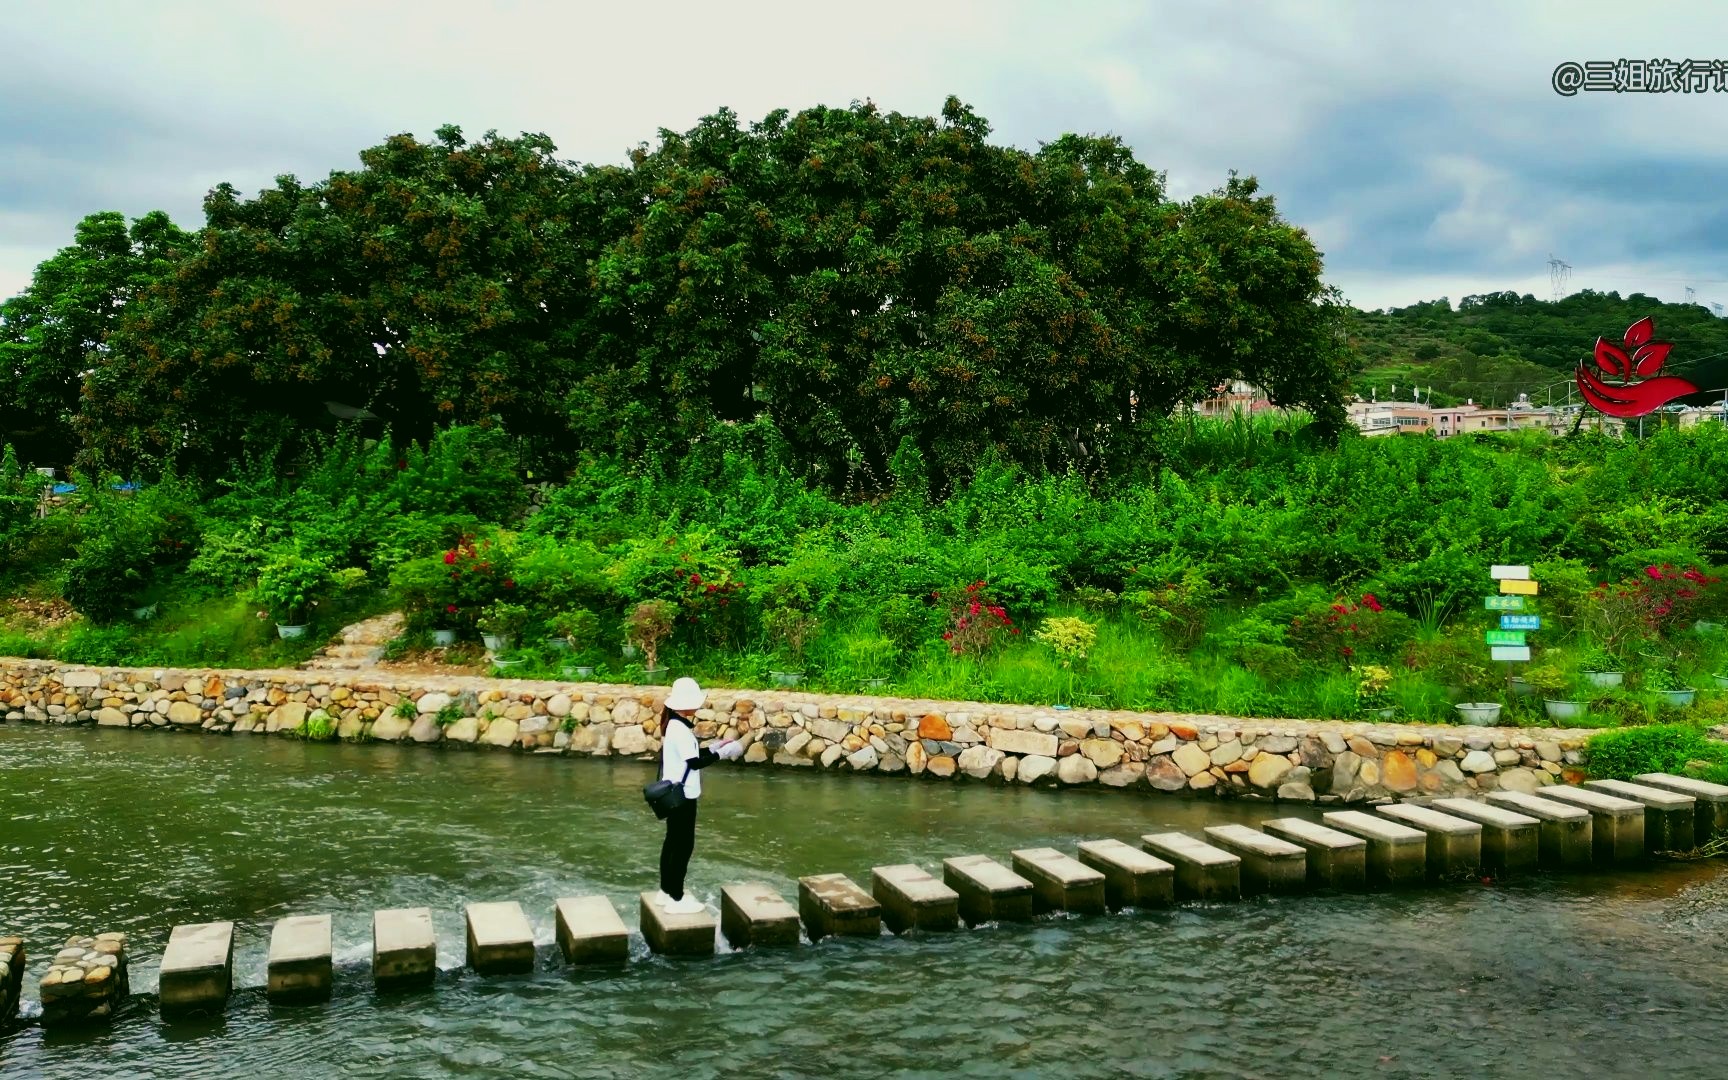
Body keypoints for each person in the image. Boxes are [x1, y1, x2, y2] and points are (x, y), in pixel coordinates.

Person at [654, 676, 743, 914]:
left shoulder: (674, 723)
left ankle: (665, 891)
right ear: (685, 704)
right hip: (684, 796)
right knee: (683, 846)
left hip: (673, 793)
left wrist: (713, 747)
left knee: (672, 842)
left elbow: (691, 754)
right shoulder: (680, 728)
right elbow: (693, 764)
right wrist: (721, 754)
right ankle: (676, 897)